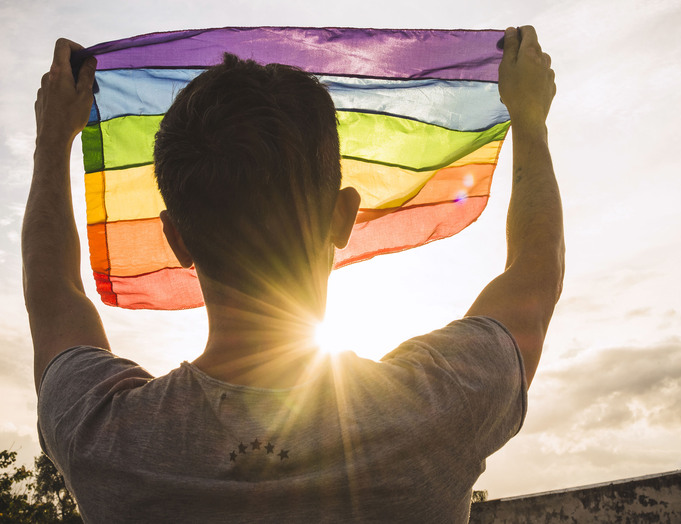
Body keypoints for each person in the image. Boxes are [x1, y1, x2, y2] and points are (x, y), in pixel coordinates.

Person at [24, 26, 563, 522]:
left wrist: (52, 142)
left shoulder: (103, 439)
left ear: (175, 239)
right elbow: (536, 275)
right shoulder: (439, 406)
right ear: (343, 215)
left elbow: (52, 294)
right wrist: (529, 118)